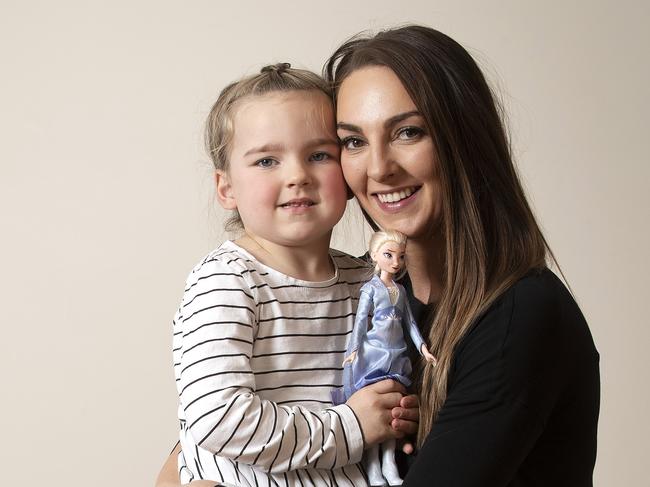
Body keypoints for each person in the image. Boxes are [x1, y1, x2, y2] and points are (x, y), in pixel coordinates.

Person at [326, 25, 600, 486]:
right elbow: (189, 465)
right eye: (353, 141)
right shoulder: (367, 299)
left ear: (463, 138)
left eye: (408, 132)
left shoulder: (520, 316)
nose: (379, 168)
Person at [166, 62, 418, 487]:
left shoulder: (369, 280)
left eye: (319, 155)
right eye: (267, 160)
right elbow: (217, 416)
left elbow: (376, 379)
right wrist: (351, 427)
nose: (297, 175)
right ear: (226, 188)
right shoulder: (227, 282)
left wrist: (396, 410)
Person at [334, 229, 436, 486]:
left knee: (393, 410)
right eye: (389, 255)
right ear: (375, 256)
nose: (395, 262)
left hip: (396, 352)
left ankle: (389, 465)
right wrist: (354, 349)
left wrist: (422, 347)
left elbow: (410, 323)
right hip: (374, 352)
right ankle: (373, 468)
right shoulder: (371, 288)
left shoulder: (400, 290)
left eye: (401, 257)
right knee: (374, 411)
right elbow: (360, 321)